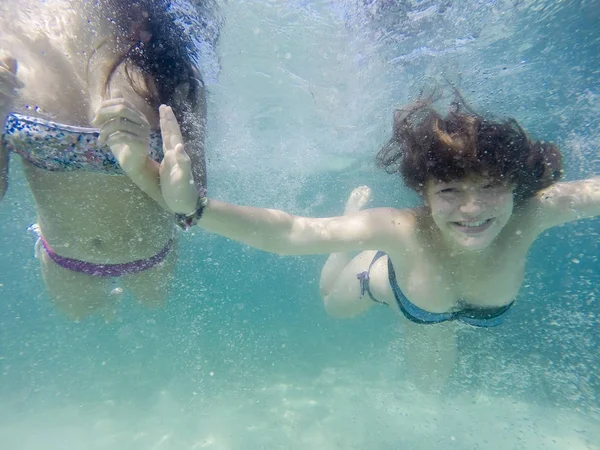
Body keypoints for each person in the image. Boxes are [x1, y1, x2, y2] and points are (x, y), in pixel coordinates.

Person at [155, 95, 597, 385]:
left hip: (439, 312)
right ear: (422, 194)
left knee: (433, 381)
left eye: (489, 188)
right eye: (448, 191)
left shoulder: (533, 212)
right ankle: (352, 244)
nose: (472, 210)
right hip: (383, 285)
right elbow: (294, 232)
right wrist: (195, 209)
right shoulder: (399, 228)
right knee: (334, 304)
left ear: (514, 187)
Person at [0, 0, 210, 321]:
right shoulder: (9, 54)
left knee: (154, 305)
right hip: (68, 261)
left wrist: (144, 159)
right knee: (78, 314)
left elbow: (191, 211)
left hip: (152, 257)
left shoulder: (170, 72)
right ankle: (110, 304)